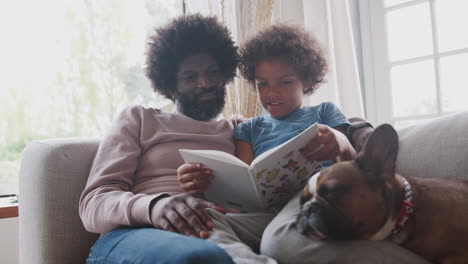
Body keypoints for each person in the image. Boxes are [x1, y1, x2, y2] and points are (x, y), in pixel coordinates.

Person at [178, 24, 429, 264]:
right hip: (266, 212)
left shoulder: (324, 113)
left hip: (315, 202)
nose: (271, 93)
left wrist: (341, 142)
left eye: (284, 82)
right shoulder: (247, 128)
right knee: (204, 220)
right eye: (262, 84)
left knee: (278, 241)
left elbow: (353, 168)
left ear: (307, 81)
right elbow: (243, 177)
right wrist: (205, 182)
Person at [79, 14, 240, 264]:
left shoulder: (239, 129)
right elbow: (93, 204)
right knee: (201, 257)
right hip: (136, 235)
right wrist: (154, 207)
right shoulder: (141, 119)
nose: (205, 83)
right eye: (190, 77)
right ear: (170, 84)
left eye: (213, 72)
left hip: (219, 230)